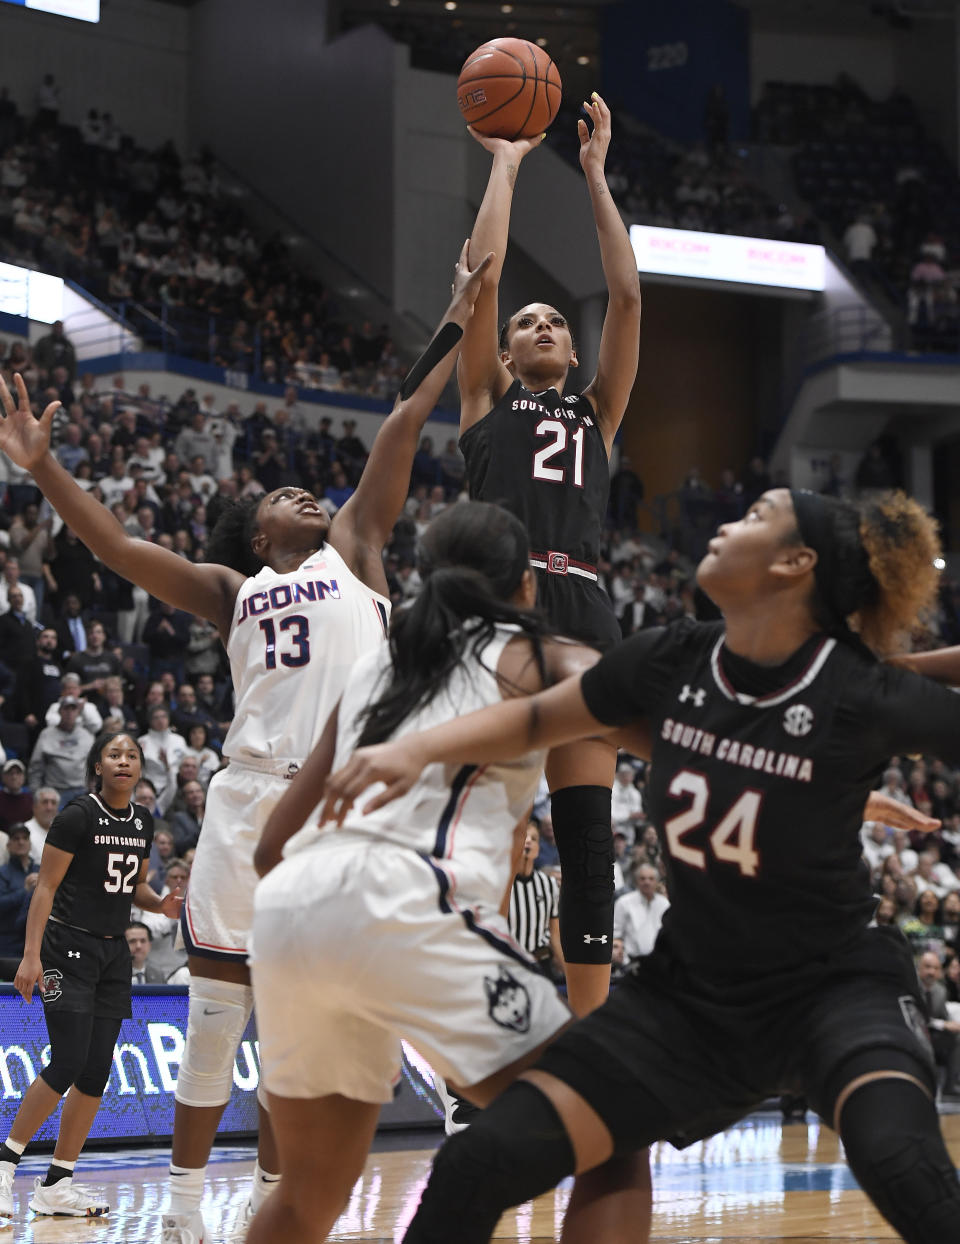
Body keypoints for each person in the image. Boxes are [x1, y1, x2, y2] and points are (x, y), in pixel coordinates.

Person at [0, 239, 494, 1243]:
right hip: (250, 797)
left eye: (303, 492)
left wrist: (451, 314)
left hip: (350, 796)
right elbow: (119, 548)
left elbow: (401, 420)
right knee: (221, 1014)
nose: (302, 495)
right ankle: (185, 1215)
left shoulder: (360, 546)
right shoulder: (234, 590)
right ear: (254, 533)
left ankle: (321, 1187)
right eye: (279, 499)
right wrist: (46, 470)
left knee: (322, 1013)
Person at [323, 488, 960, 1244]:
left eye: (755, 517)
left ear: (797, 563)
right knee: (476, 1163)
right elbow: (542, 715)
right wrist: (414, 747)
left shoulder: (863, 689)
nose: (726, 524)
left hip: (836, 990)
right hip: (689, 1001)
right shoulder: (675, 657)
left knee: (900, 1159)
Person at [246, 501, 641, 1244]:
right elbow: (676, 729)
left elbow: (271, 848)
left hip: (291, 911)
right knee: (614, 1125)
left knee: (306, 1198)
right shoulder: (536, 656)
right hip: (402, 897)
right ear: (527, 586)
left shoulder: (376, 665)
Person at [456, 92, 642, 1015]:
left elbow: (628, 294)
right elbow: (480, 281)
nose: (541, 327)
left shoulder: (598, 412)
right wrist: (508, 162)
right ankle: (478, 1027)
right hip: (500, 610)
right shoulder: (487, 397)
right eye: (528, 321)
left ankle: (593, 1039)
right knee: (489, 824)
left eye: (555, 325)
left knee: (588, 835)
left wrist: (598, 178)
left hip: (587, 610)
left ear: (572, 354)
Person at [0, 731, 180, 1219]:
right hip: (67, 947)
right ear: (97, 765)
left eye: (131, 755)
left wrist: (159, 901)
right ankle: (4, 1165)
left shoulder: (142, 820)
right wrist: (31, 955)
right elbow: (46, 888)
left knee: (97, 1070)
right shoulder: (78, 815)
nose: (124, 761)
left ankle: (57, 1183)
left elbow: (135, 886)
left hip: (112, 953)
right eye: (114, 754)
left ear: (141, 767)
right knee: (68, 1062)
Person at [614, 862, 669, 962]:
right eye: (643, 878)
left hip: (659, 961)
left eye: (651, 878)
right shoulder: (623, 903)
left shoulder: (664, 904)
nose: (647, 882)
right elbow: (616, 934)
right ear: (637, 881)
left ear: (656, 881)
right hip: (631, 961)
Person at [126, 920, 166, 985]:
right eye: (132, 941)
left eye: (143, 941)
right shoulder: (113, 974)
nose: (138, 946)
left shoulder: (158, 974)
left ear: (149, 945)